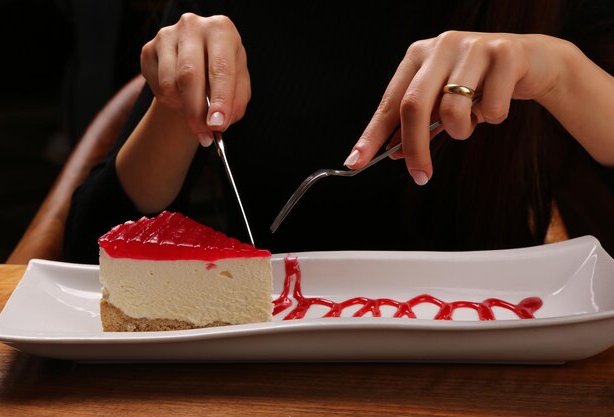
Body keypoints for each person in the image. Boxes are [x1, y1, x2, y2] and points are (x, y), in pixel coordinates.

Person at [64, 0, 614, 264]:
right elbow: (94, 255)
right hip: (267, 365)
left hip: (498, 367)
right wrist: (174, 104)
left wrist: (564, 73)